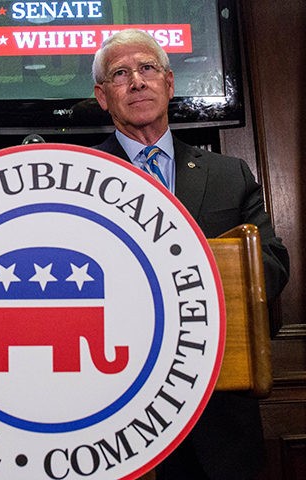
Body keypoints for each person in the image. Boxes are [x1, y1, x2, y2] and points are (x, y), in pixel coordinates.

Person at [91, 29, 290, 479]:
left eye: (147, 69)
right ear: (103, 97)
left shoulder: (228, 174)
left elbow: (273, 264)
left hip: (219, 420)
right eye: (121, 74)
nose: (137, 81)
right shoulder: (79, 177)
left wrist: (187, 282)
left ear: (169, 83)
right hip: (116, 417)